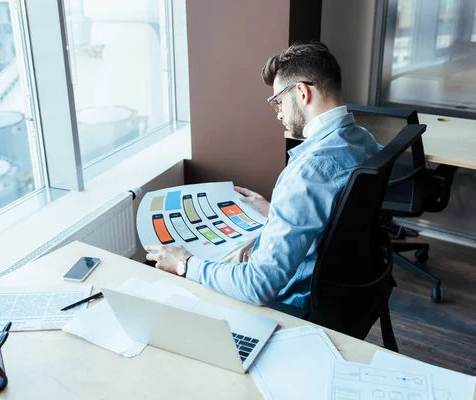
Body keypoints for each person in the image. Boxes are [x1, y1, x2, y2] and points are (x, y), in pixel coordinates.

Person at [146, 41, 380, 311]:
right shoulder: (363, 140)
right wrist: (277, 210)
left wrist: (184, 264)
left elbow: (257, 286)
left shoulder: (308, 172)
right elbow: (338, 212)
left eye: (278, 101)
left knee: (176, 274)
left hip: (293, 298)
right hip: (350, 286)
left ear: (302, 92)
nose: (279, 113)